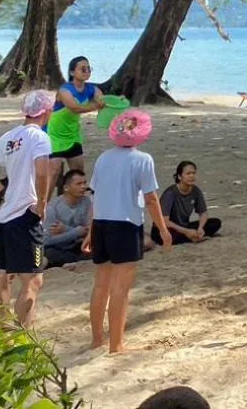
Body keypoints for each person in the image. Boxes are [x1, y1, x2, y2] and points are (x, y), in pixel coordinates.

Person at [85, 109, 172, 353]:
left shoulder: (103, 157)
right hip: (125, 224)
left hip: (102, 222)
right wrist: (163, 230)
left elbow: (96, 195)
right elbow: (152, 199)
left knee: (101, 285)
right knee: (120, 289)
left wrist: (90, 231)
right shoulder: (142, 159)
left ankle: (96, 339)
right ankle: (116, 344)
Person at [0, 90, 56, 325]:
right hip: (25, 215)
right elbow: (42, 172)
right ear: (46, 111)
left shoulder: (10, 136)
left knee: (3, 274)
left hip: (5, 215)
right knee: (32, 280)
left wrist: (2, 191)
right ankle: (23, 333)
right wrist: (41, 203)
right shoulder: (39, 137)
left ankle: (3, 330)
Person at [48, 55, 106, 182]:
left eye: (89, 69)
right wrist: (96, 105)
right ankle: (44, 202)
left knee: (79, 173)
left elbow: (102, 101)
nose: (87, 72)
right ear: (72, 72)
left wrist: (114, 102)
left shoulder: (92, 88)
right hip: (53, 135)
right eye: (83, 69)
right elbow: (75, 108)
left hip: (72, 135)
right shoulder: (65, 90)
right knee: (53, 173)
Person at [155, 161, 222, 245]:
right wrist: (186, 231)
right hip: (168, 228)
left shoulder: (196, 191)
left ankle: (194, 236)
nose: (191, 176)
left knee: (215, 223)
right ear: (179, 176)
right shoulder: (170, 194)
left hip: (183, 225)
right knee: (166, 235)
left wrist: (200, 227)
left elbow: (203, 213)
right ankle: (191, 237)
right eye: (188, 173)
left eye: (193, 173)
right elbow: (164, 221)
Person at [44, 169, 93, 269]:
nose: (83, 187)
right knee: (45, 253)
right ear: (66, 187)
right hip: (58, 248)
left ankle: (69, 262)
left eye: (84, 183)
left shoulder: (86, 202)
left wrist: (66, 229)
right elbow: (46, 240)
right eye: (78, 184)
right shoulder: (52, 208)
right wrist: (75, 232)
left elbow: (88, 230)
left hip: (78, 245)